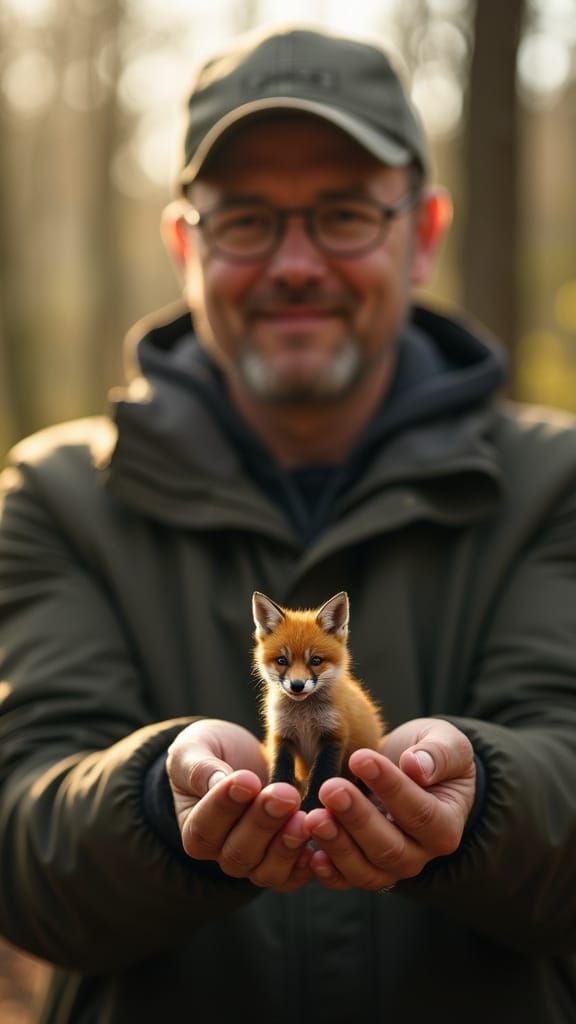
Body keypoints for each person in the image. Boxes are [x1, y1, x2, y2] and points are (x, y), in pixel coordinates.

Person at [0, 22, 575, 1024]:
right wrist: (147, 804)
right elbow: (20, 836)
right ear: (185, 242)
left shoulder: (556, 483)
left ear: (424, 230)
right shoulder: (56, 496)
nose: (296, 263)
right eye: (249, 220)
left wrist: (480, 801)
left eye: (345, 213)